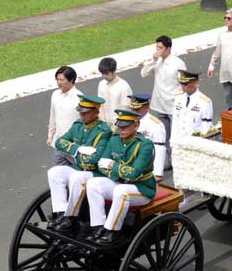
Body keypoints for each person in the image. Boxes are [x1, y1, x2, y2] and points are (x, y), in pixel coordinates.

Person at [87, 109, 156, 245]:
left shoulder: (144, 145)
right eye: (119, 126)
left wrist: (113, 166)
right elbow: (101, 164)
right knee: (93, 183)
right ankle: (98, 226)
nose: (121, 129)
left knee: (121, 191)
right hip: (120, 182)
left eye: (125, 126)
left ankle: (112, 231)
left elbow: (134, 173)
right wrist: (116, 171)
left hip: (141, 188)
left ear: (136, 126)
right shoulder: (114, 140)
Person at [47, 95, 112, 230]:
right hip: (78, 167)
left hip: (94, 172)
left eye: (86, 112)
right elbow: (60, 142)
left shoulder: (104, 131)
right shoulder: (77, 126)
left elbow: (95, 159)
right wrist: (78, 149)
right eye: (80, 112)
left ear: (96, 112)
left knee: (77, 178)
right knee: (54, 172)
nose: (82, 115)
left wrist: (74, 153)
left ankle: (71, 217)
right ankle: (60, 212)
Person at [140, 35, 186, 168]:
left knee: (176, 135)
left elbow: (184, 82)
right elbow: (144, 73)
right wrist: (153, 61)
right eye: (157, 47)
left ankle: (178, 160)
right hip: (160, 104)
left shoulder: (178, 63)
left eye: (160, 47)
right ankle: (166, 161)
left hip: (173, 104)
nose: (158, 50)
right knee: (163, 135)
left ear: (168, 48)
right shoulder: (157, 61)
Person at [47, 66, 83, 165]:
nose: (59, 82)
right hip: (59, 144)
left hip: (74, 147)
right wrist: (50, 136)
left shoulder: (79, 98)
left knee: (77, 176)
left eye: (62, 80)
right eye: (57, 79)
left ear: (71, 80)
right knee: (58, 175)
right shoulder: (55, 95)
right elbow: (53, 117)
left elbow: (84, 123)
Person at [127, 93, 166, 183]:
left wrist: (158, 173)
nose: (134, 111)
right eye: (132, 108)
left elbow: (159, 149)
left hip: (146, 168)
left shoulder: (156, 125)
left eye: (137, 109)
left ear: (147, 107)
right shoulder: (128, 121)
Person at [171, 70, 213, 146]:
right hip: (179, 142)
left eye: (185, 84)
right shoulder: (178, 97)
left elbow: (206, 127)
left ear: (195, 82)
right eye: (181, 84)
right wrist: (172, 143)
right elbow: (175, 121)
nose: (183, 87)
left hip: (195, 144)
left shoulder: (205, 102)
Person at [97, 57, 132, 128]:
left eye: (107, 73)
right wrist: (103, 123)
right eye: (102, 73)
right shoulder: (101, 84)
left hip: (120, 126)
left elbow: (125, 109)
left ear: (114, 70)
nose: (104, 76)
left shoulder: (124, 86)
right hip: (105, 125)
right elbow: (100, 105)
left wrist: (117, 127)